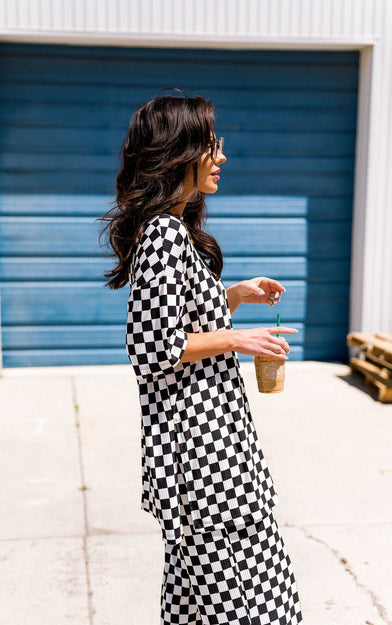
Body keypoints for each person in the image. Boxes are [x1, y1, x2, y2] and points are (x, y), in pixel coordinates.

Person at [98, 89, 304, 625]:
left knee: (203, 596)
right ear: (180, 152)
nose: (222, 157)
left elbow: (181, 321)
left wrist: (232, 295)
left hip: (208, 449)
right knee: (243, 598)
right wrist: (240, 339)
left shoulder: (174, 232)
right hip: (204, 456)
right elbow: (152, 347)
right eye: (212, 145)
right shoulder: (164, 234)